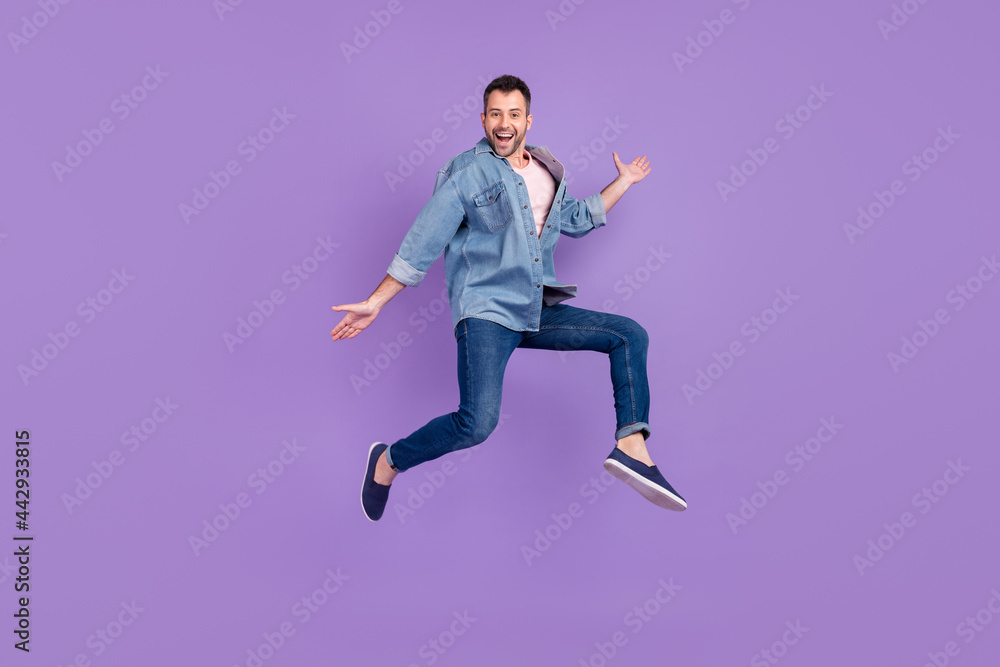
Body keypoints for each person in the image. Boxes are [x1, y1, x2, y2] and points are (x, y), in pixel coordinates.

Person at [332, 75, 686, 521]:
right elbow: (423, 241)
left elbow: (575, 218)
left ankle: (632, 445)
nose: (504, 123)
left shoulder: (547, 168)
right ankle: (387, 461)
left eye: (514, 114)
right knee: (477, 423)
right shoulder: (466, 172)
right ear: (483, 119)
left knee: (628, 334)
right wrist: (376, 301)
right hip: (486, 312)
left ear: (528, 121)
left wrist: (625, 182)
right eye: (495, 114)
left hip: (535, 308)